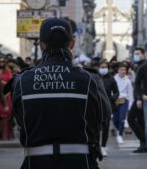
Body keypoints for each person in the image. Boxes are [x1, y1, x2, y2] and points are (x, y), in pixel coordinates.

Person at [11, 18, 111, 169]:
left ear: (41, 44)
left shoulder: (22, 81)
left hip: (35, 163)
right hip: (81, 162)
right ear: (72, 43)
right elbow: (104, 116)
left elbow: (19, 119)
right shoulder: (90, 79)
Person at [128, 48, 147, 153]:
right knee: (140, 121)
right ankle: (144, 143)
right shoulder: (139, 66)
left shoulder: (142, 66)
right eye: (135, 53)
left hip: (140, 98)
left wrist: (139, 98)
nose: (136, 55)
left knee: (131, 118)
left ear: (143, 55)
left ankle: (144, 141)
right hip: (140, 97)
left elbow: (141, 84)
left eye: (138, 53)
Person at [98, 61, 119, 157]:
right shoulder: (95, 77)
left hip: (107, 105)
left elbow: (116, 92)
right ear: (98, 67)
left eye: (105, 67)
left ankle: (103, 147)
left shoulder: (111, 79)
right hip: (96, 105)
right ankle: (96, 146)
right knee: (96, 127)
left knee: (105, 127)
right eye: (102, 67)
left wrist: (111, 98)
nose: (103, 69)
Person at [113, 63, 134, 144]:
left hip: (124, 101)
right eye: (121, 70)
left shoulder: (128, 81)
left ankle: (120, 135)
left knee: (122, 118)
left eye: (124, 70)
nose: (123, 71)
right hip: (115, 101)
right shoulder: (114, 79)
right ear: (118, 70)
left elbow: (130, 93)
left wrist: (130, 106)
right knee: (115, 120)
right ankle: (120, 129)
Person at [0, 57, 14, 140]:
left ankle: (6, 135)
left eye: (3, 62)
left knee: (6, 115)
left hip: (6, 95)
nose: (1, 63)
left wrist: (2, 82)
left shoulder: (8, 71)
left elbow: (10, 83)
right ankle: (0, 135)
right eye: (0, 61)